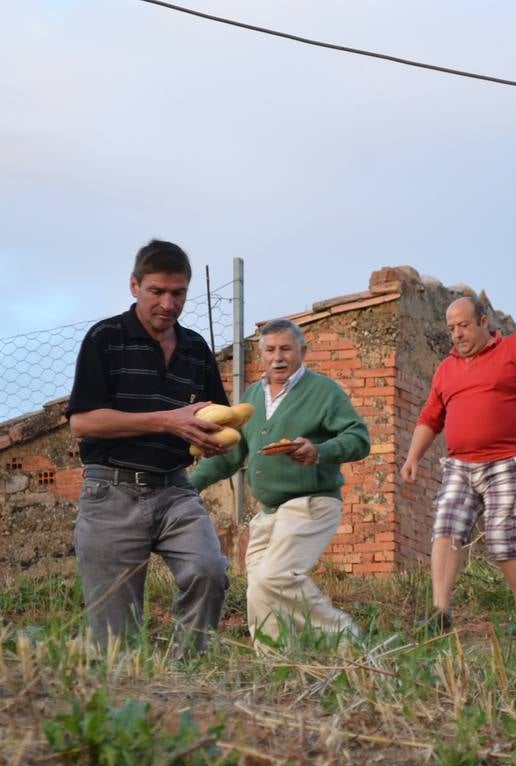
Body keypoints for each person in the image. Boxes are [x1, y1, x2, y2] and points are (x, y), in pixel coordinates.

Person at [67, 239, 233, 654]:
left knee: (208, 571)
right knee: (115, 637)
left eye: (178, 293)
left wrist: (211, 443)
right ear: (134, 286)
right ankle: (130, 697)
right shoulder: (105, 338)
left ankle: (186, 673)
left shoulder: (196, 349)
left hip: (176, 489)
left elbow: (218, 417)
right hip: (110, 492)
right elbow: (83, 422)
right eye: (156, 291)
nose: (168, 303)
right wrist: (168, 421)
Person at [400, 296, 516, 637]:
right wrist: (413, 457)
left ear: (484, 322)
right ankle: (441, 612)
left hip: (509, 463)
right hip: (460, 465)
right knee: (446, 527)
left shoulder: (513, 350)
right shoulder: (447, 369)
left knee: (504, 539)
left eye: (463, 325)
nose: (457, 334)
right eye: (451, 329)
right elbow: (430, 416)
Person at [190, 319, 370, 644]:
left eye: (286, 349)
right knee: (258, 587)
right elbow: (230, 455)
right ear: (260, 356)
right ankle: (275, 659)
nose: (278, 357)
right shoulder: (253, 396)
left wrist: (320, 450)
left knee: (276, 576)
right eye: (270, 350)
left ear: (302, 350)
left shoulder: (323, 391)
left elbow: (359, 438)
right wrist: (189, 485)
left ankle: (346, 638)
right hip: (269, 511)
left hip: (311, 503)